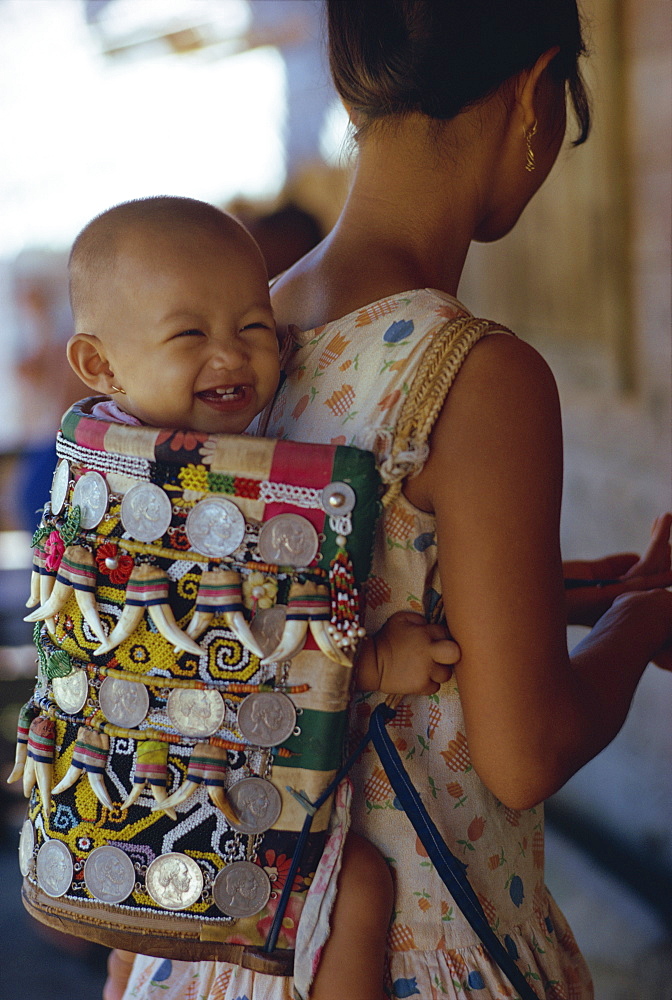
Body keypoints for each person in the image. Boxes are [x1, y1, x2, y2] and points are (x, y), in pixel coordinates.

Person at [116, 3, 672, 999]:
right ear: (536, 97)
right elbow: (524, 751)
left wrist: (547, 601)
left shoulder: (241, 342)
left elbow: (273, 597)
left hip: (213, 941)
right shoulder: (476, 373)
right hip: (411, 952)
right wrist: (641, 623)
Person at [63, 196, 459, 1000]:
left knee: (132, 945)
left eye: (253, 327)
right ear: (101, 365)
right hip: (178, 789)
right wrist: (376, 660)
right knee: (359, 886)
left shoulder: (100, 456)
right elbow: (224, 642)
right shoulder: (163, 488)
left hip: (139, 802)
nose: (231, 356)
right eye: (190, 335)